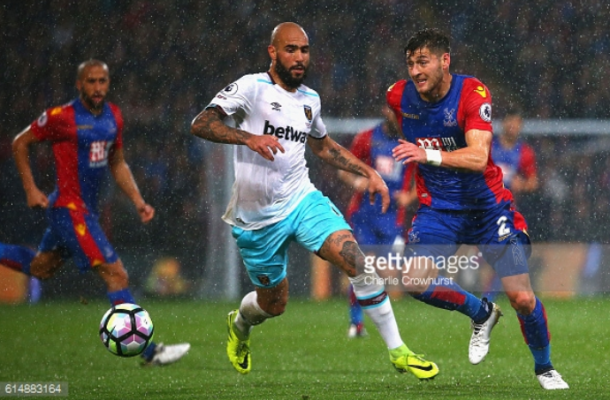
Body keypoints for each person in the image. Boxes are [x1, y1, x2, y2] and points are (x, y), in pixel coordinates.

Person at [190, 22, 438, 380]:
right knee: (273, 304)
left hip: (302, 200)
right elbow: (201, 123)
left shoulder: (310, 99)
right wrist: (248, 138)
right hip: (256, 218)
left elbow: (322, 146)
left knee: (357, 261)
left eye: (304, 51)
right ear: (273, 52)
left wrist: (368, 172)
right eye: (291, 49)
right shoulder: (250, 87)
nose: (299, 57)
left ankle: (399, 351)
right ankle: (240, 324)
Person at [388, 29, 568, 390]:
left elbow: (478, 157)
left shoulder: (472, 93)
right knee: (412, 280)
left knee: (520, 296)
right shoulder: (398, 97)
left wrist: (429, 154)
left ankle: (545, 368)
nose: (415, 71)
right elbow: (408, 143)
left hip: (488, 209)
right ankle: (481, 311)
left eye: (423, 61)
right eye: (410, 63)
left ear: (445, 60)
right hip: (438, 210)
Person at [0, 60, 190, 366]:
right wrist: (31, 190)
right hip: (68, 210)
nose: (98, 87)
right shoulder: (61, 117)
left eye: (102, 81)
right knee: (116, 274)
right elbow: (20, 143)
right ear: (79, 84)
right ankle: (150, 352)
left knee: (41, 268)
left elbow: (117, 162)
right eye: (91, 81)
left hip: (87, 210)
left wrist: (138, 200)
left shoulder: (113, 116)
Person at [338, 105, 417, 338]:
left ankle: (371, 317)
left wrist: (409, 196)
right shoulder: (367, 138)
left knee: (387, 274)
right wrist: (357, 183)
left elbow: (424, 178)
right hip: (365, 215)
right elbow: (344, 169)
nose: (399, 117)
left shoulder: (410, 143)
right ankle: (356, 323)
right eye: (396, 112)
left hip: (393, 218)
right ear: (386, 111)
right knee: (362, 267)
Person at [484, 110, 539, 300]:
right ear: (503, 123)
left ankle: (489, 299)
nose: (513, 127)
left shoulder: (524, 152)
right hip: (481, 207)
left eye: (517, 124)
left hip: (505, 211)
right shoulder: (489, 146)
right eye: (510, 123)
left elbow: (533, 182)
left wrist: (521, 184)